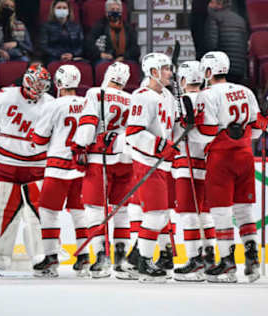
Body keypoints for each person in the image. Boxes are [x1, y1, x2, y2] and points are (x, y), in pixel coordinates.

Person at [189, 51, 262, 283]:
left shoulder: (206, 94)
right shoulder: (247, 91)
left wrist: (189, 128)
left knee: (221, 210)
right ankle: (252, 259)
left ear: (208, 71)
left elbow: (206, 134)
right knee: (244, 209)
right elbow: (257, 129)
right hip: (245, 156)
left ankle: (228, 264)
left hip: (221, 158)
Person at [0, 65, 54, 274]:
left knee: (39, 215)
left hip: (38, 168)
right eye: (36, 82)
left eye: (43, 84)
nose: (39, 87)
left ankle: (42, 258)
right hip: (7, 167)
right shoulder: (3, 98)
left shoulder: (50, 103)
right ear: (26, 80)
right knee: (3, 213)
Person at [71, 62, 133, 279]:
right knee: (121, 209)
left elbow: (88, 123)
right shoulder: (131, 98)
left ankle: (101, 256)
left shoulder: (96, 93)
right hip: (125, 158)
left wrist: (80, 145)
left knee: (94, 209)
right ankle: (122, 257)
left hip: (100, 158)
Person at [124, 53, 179, 283]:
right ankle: (144, 263)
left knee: (163, 213)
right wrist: (160, 146)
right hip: (147, 162)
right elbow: (133, 134)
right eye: (165, 69)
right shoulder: (141, 96)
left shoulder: (168, 96)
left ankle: (137, 257)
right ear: (153, 72)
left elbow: (171, 128)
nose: (170, 72)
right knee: (155, 214)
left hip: (163, 163)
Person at [31, 65, 88, 278]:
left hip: (57, 166)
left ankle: (51, 257)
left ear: (58, 83)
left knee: (48, 212)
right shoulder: (87, 103)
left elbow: (39, 139)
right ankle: (83, 257)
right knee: (79, 212)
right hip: (82, 167)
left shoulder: (53, 105)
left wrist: (34, 139)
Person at [171, 61, 217, 282]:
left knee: (189, 213)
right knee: (205, 212)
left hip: (185, 164)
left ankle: (194, 261)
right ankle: (209, 258)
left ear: (182, 80)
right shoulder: (211, 98)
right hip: (207, 164)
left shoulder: (178, 101)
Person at [204, 0, 248, 83]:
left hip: (222, 69)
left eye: (211, 2)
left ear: (219, 4)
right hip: (239, 69)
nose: (209, 5)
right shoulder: (240, 20)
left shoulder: (214, 17)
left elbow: (211, 45)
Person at [86, 0, 140, 65]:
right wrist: (100, 54)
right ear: (106, 12)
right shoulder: (99, 26)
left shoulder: (128, 27)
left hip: (124, 58)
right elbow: (89, 43)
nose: (115, 11)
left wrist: (124, 57)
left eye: (118, 9)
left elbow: (135, 48)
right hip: (105, 58)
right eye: (112, 9)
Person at [39, 0, 84, 64]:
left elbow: (81, 45)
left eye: (64, 8)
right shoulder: (46, 27)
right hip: (53, 58)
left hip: (73, 57)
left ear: (69, 10)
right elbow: (44, 46)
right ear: (53, 10)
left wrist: (72, 54)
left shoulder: (76, 26)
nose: (62, 10)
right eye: (59, 8)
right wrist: (59, 55)